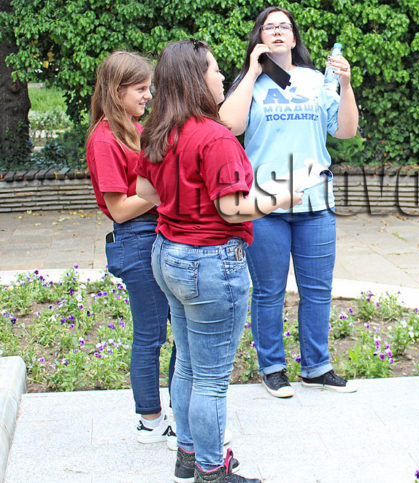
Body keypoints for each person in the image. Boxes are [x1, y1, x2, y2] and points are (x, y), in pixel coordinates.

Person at [136, 39, 300, 482]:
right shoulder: (215, 137)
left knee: (188, 364)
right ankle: (212, 469)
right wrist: (283, 197)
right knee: (210, 377)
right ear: (195, 78)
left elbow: (148, 192)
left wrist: (185, 204)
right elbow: (232, 209)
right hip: (211, 262)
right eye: (213, 69)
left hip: (167, 253)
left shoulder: (157, 132)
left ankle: (188, 455)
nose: (221, 76)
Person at [219, 6, 359, 398]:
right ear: (259, 37)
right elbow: (229, 125)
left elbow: (345, 130)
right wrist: (252, 71)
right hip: (265, 204)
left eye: (285, 26)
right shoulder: (249, 82)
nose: (278, 31)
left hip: (316, 202)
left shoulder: (316, 80)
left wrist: (346, 85)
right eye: (270, 27)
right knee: (269, 292)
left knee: (317, 290)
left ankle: (317, 367)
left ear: (294, 37)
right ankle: (273, 368)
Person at [85, 51, 176, 449]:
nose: (148, 96)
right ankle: (150, 420)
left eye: (148, 88)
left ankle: (178, 411)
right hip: (137, 239)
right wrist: (164, 189)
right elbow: (120, 209)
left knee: (179, 332)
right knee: (151, 336)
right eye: (140, 89)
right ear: (116, 90)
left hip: (158, 232)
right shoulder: (104, 139)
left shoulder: (135, 129)